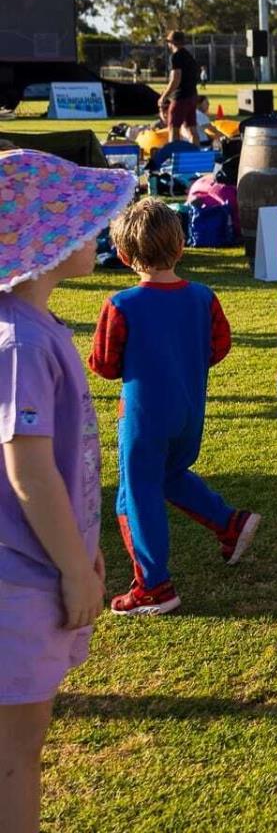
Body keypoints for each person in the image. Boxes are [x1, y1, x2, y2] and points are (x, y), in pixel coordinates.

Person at [0, 150, 134, 830]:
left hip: (36, 565)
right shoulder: (18, 341)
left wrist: (83, 550)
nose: (96, 234)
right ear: (42, 244)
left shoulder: (34, 329)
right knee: (15, 755)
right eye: (82, 224)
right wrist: (72, 567)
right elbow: (28, 468)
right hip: (18, 580)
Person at [85, 198, 258, 616]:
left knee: (135, 493)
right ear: (181, 246)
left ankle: (153, 585)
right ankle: (229, 523)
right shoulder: (203, 296)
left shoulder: (121, 305)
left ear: (124, 256)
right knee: (170, 473)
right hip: (190, 408)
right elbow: (219, 346)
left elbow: (104, 364)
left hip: (144, 415)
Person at [161, 30, 202, 145]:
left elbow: (175, 79)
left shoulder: (175, 57)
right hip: (192, 95)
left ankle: (174, 155)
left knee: (173, 129)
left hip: (180, 97)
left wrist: (164, 96)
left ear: (172, 42)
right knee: (192, 129)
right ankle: (196, 155)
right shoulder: (189, 57)